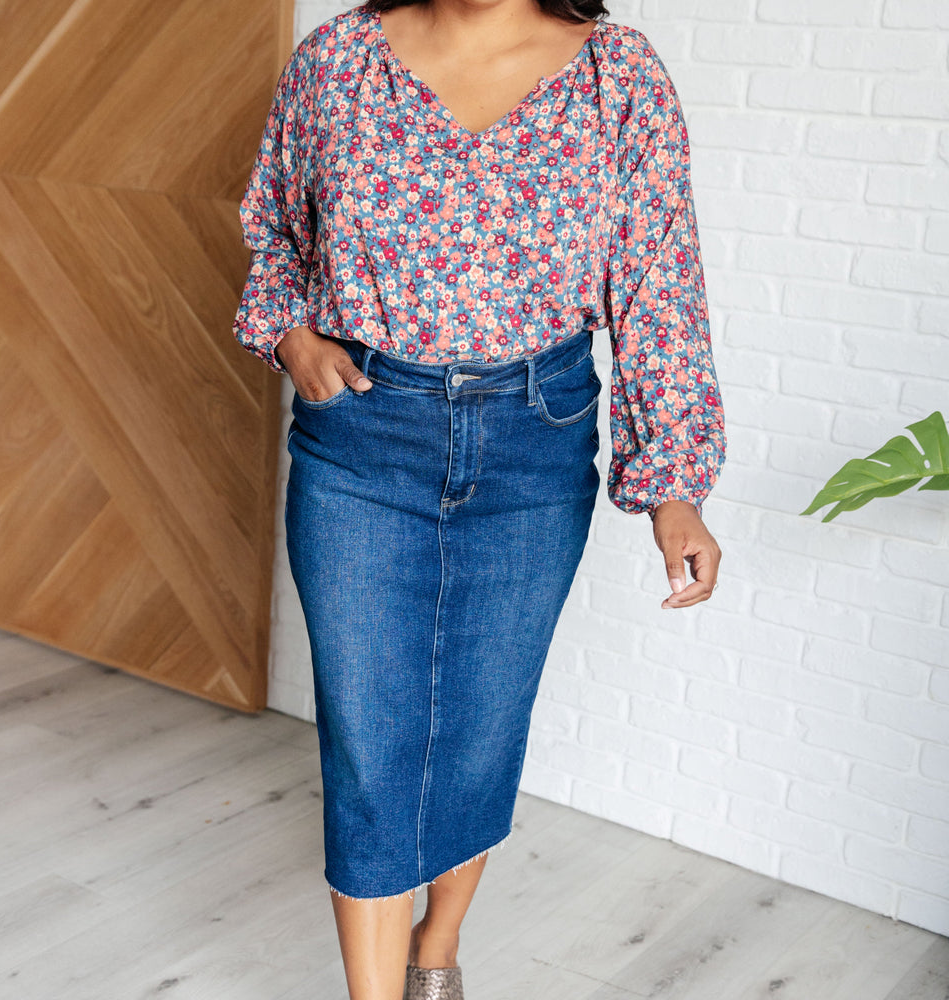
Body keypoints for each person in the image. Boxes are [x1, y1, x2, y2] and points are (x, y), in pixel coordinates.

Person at [233, 0, 725, 996]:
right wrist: (290, 334)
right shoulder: (337, 59)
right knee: (369, 739)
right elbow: (275, 225)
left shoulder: (616, 75)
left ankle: (438, 948)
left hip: (531, 441)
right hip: (363, 435)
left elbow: (655, 281)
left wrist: (672, 482)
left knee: (482, 720)